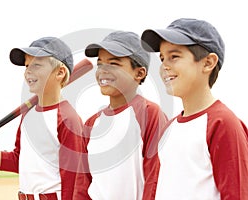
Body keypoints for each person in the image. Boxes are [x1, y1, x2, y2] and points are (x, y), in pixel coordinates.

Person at [0, 37, 85, 200]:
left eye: (36, 65)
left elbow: (75, 181)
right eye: (27, 66)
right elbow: (18, 161)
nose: (28, 71)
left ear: (59, 72)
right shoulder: (28, 115)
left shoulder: (67, 118)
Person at [141, 18, 248, 199]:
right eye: (162, 58)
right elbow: (153, 189)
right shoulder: (168, 129)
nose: (164, 66)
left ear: (208, 63)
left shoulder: (223, 124)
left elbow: (237, 192)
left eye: (174, 57)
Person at [74, 31, 168, 200]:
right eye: (100, 64)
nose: (103, 71)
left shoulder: (149, 114)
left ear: (139, 73)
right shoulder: (92, 123)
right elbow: (83, 183)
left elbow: (155, 179)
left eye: (114, 64)